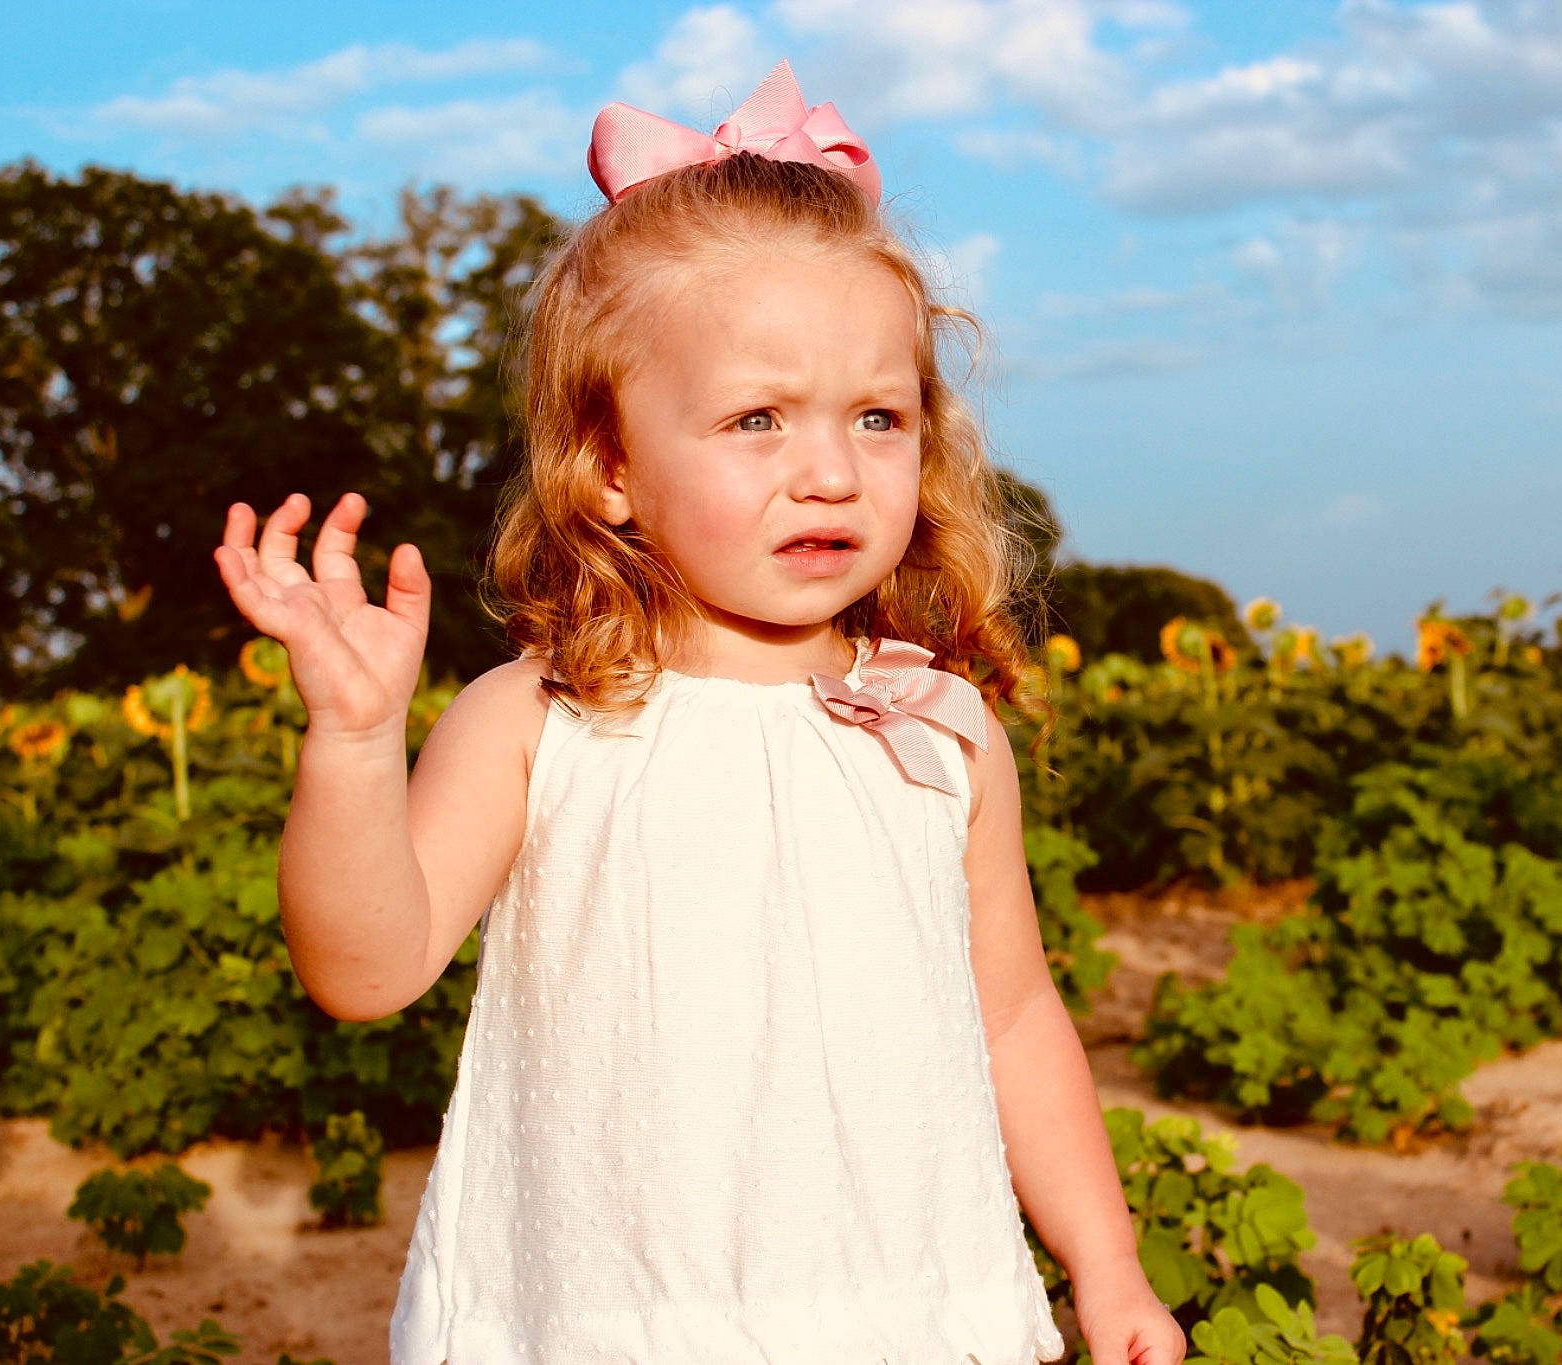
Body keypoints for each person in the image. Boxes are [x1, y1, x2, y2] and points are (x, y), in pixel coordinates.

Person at [212, 60, 1185, 1365]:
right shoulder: (542, 718)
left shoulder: (937, 728)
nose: (830, 469)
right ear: (610, 465)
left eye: (878, 415)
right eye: (757, 417)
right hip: (611, 1317)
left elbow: (1011, 1016)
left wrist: (1108, 1266)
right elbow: (365, 969)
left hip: (903, 1309)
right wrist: (350, 742)